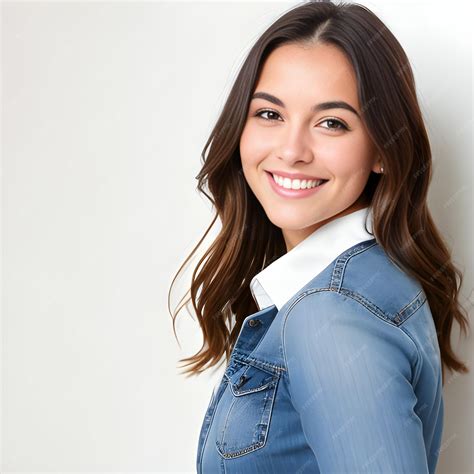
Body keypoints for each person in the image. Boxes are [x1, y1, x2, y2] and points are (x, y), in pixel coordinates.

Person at [168, 1, 470, 472]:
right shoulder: (355, 289)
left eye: (332, 123)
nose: (291, 151)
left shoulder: (332, 316)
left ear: (384, 150)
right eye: (269, 114)